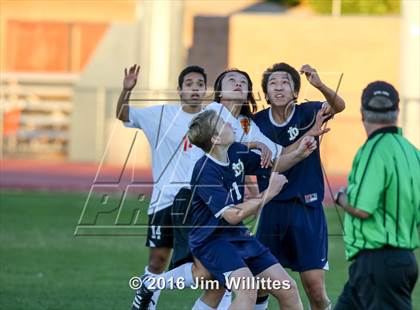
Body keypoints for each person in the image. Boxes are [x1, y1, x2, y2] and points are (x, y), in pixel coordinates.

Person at [188, 109, 313, 309]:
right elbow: (231, 215)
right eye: (223, 123)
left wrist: (298, 155)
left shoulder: (235, 150)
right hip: (211, 240)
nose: (230, 124)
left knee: (288, 288)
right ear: (216, 139)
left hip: (238, 236)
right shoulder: (205, 171)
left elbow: (272, 166)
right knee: (248, 289)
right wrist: (268, 194)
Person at [252, 63, 346, 310]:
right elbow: (271, 161)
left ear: (295, 91)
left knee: (314, 288)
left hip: (306, 206)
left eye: (285, 82)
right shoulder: (257, 123)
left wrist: (319, 85)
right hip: (272, 207)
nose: (279, 87)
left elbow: (339, 106)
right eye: (273, 83)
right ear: (266, 93)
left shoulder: (308, 112)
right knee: (260, 284)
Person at [116, 64, 208, 310]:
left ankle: (223, 303)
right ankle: (147, 302)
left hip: (200, 204)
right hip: (164, 200)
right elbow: (124, 115)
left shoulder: (214, 118)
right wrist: (126, 91)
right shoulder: (160, 115)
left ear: (206, 90)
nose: (195, 89)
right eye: (189, 84)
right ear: (179, 90)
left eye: (200, 84)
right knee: (157, 260)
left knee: (207, 263)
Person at [334, 81, 419, 310]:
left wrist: (341, 198)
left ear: (362, 113)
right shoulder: (412, 152)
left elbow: (362, 207)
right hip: (402, 260)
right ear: (397, 111)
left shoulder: (372, 149)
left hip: (378, 262)